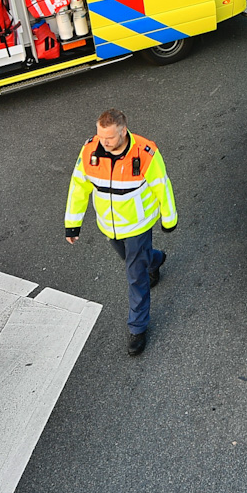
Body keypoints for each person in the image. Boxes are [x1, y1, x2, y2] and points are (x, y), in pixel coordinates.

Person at [65, 108, 176, 356]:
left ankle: (138, 328)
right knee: (133, 260)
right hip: (109, 226)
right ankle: (155, 259)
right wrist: (72, 224)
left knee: (135, 276)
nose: (103, 142)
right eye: (100, 136)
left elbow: (162, 186)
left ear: (123, 131)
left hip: (137, 226)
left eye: (109, 137)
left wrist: (169, 219)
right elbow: (78, 187)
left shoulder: (145, 152)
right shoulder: (90, 151)